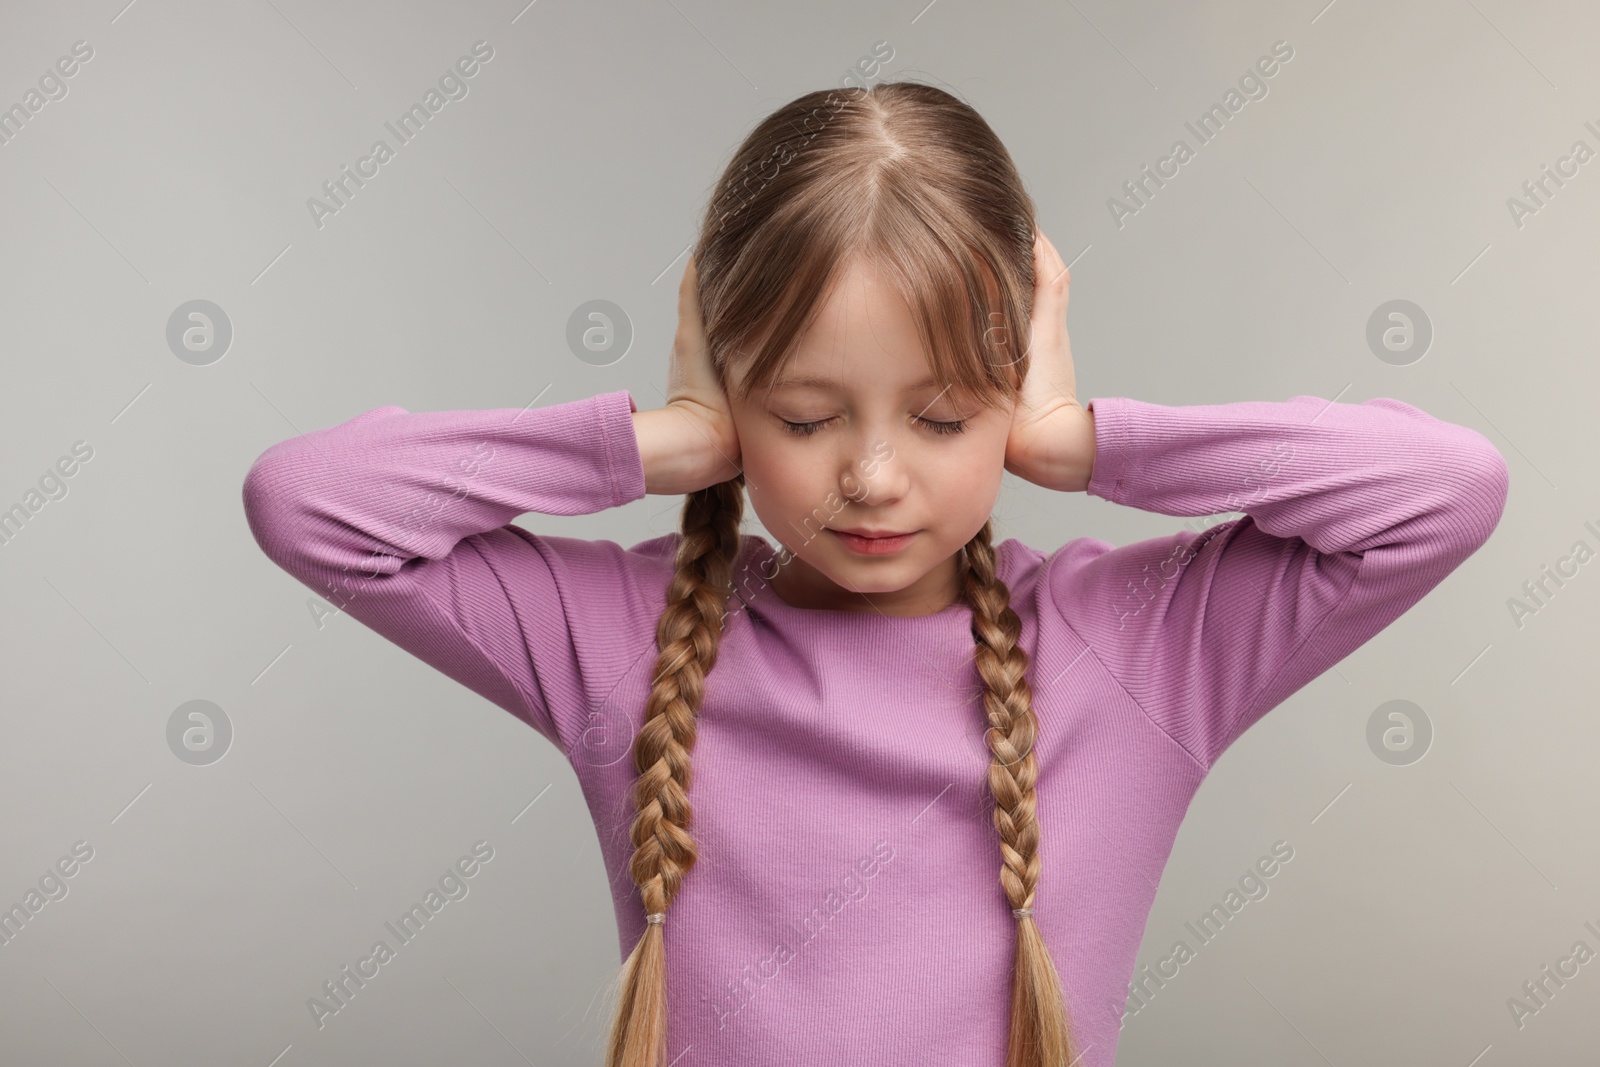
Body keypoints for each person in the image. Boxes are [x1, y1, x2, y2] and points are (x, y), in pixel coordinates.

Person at [242, 81, 1510, 1067]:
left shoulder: (1132, 646)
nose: (873, 476)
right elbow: (311, 503)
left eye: (947, 419)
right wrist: (663, 440)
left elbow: (1442, 489)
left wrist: (1080, 439)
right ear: (733, 389)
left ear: (1010, 391)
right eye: (802, 417)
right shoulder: (620, 633)